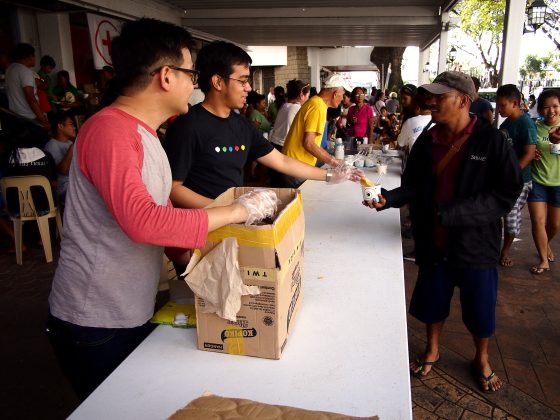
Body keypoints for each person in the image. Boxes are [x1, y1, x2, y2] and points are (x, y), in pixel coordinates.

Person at [46, 18, 278, 401]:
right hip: (93, 317)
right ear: (167, 76)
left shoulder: (145, 133)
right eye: (192, 74)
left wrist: (194, 265)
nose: (195, 83)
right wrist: (239, 210)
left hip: (130, 306)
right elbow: (143, 222)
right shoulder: (110, 131)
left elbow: (160, 209)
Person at [365, 71, 522, 393]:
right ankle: (432, 348)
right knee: (432, 299)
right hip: (434, 240)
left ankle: (481, 357)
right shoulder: (429, 139)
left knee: (479, 306)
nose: (432, 102)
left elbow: (505, 193)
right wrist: (389, 199)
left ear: (464, 100)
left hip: (475, 244)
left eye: (441, 96)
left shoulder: (491, 141)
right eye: (431, 96)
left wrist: (453, 213)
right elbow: (415, 185)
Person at [164, 42, 360, 209]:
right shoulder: (187, 126)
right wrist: (228, 210)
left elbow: (282, 162)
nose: (248, 88)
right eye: (242, 81)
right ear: (217, 82)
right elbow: (173, 190)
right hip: (201, 228)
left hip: (233, 223)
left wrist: (329, 175)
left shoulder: (241, 125)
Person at [280, 73, 356, 188]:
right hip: (295, 168)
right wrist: (334, 162)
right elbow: (309, 143)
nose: (342, 99)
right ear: (335, 94)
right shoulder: (318, 107)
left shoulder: (315, 103)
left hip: (295, 165)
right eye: (343, 95)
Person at [495, 84, 537, 268]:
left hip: (520, 181)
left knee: (511, 219)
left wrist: (512, 173)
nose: (499, 109)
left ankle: (505, 251)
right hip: (504, 179)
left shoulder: (525, 123)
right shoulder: (505, 125)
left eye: (503, 105)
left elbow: (529, 153)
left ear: (515, 103)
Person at [527, 89, 560, 275]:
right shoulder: (535, 127)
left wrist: (556, 143)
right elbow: (525, 146)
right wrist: (531, 153)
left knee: (554, 225)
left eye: (555, 106)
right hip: (537, 180)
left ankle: (545, 243)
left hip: (558, 182)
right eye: (546, 107)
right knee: (537, 221)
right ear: (540, 110)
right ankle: (543, 259)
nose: (551, 111)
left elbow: (556, 152)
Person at [5, 43, 50, 132]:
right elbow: (30, 98)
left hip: (15, 116)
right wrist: (42, 119)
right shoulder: (25, 71)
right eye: (34, 56)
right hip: (29, 118)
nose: (35, 59)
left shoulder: (10, 69)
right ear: (30, 56)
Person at [43, 112, 76, 205]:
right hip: (64, 188)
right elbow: (63, 170)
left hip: (75, 185)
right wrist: (73, 148)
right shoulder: (52, 145)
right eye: (71, 124)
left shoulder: (69, 143)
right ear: (60, 126)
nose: (74, 128)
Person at [269, 79, 310, 151]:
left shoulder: (285, 106)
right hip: (284, 146)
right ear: (301, 95)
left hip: (275, 144)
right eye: (308, 96)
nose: (308, 99)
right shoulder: (297, 108)